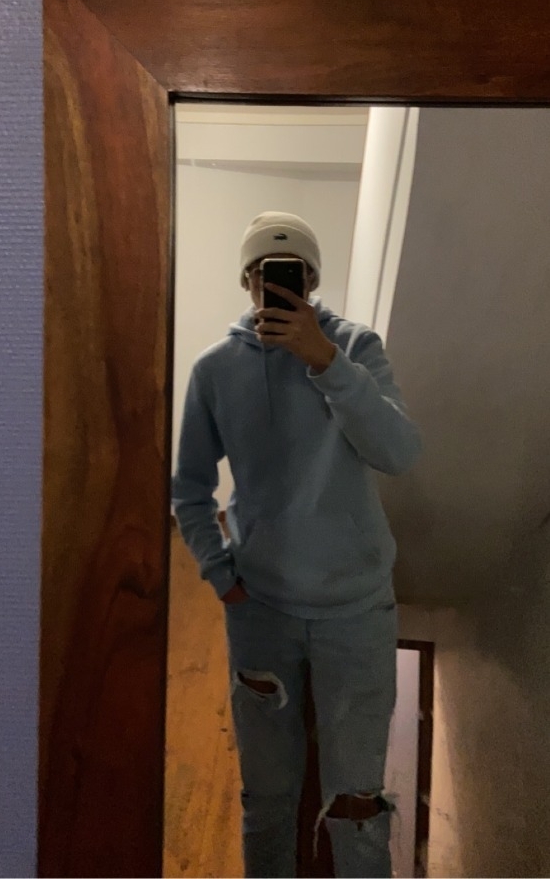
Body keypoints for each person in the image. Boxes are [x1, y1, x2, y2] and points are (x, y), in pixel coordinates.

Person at [172, 212, 422, 879]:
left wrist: (328, 364)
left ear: (311, 282)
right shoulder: (216, 369)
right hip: (263, 611)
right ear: (246, 282)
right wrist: (220, 574)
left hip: (358, 612)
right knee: (267, 799)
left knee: (358, 804)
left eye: (293, 275)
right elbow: (188, 487)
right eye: (264, 274)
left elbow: (400, 453)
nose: (277, 287)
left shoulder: (356, 348)